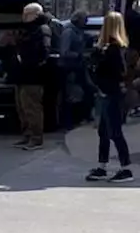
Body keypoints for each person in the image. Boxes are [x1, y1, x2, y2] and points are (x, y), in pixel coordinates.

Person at [86, 11, 134, 183]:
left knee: (114, 132)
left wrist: (99, 66)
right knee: (104, 132)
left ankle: (126, 168)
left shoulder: (113, 49)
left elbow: (118, 72)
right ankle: (102, 166)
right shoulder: (111, 48)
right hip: (108, 92)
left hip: (111, 93)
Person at [4, 2, 52, 150]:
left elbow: (43, 53)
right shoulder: (27, 30)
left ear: (35, 14)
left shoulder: (41, 30)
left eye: (27, 14)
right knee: (22, 108)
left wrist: (27, 60)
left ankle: (36, 138)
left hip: (33, 76)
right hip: (22, 75)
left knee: (32, 108)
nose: (24, 17)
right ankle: (27, 135)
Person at [57, 11, 92, 129]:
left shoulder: (79, 32)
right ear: (78, 19)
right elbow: (64, 52)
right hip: (69, 68)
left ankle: (80, 117)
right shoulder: (69, 32)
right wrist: (79, 55)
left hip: (78, 67)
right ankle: (68, 121)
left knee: (83, 92)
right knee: (70, 96)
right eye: (85, 19)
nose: (86, 22)